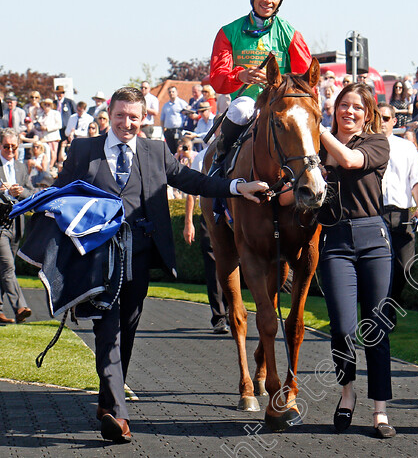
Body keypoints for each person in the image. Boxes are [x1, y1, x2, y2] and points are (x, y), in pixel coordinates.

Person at [54, 87, 268, 443]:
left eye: (134, 117)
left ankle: (108, 400)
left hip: (139, 256)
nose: (127, 123)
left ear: (144, 119)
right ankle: (119, 417)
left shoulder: (154, 151)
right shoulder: (83, 150)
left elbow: (192, 180)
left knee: (128, 327)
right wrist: (23, 201)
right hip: (97, 259)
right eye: (120, 116)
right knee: (107, 331)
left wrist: (235, 186)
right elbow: (60, 192)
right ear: (109, 114)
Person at [314, 82, 395, 438]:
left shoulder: (376, 142)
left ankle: (380, 410)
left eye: (357, 107)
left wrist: (314, 130)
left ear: (368, 113)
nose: (349, 112)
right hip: (334, 241)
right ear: (334, 109)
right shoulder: (314, 146)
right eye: (343, 105)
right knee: (343, 328)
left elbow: (346, 161)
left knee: (376, 327)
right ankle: (348, 393)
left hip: (373, 238)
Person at [208, 0, 312, 175]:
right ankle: (218, 164)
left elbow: (306, 79)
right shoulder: (229, 32)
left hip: (282, 102)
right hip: (249, 102)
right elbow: (218, 79)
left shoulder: (290, 33)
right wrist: (242, 75)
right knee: (240, 109)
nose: (268, 0)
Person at [377, 104, 418, 325]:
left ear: (394, 121)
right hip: (372, 213)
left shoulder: (406, 148)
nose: (381, 121)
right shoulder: (362, 146)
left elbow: (417, 180)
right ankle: (380, 314)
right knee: (375, 268)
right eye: (377, 117)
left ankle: (389, 305)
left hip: (400, 214)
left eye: (386, 118)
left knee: (404, 266)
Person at [183, 146, 230, 334]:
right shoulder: (202, 156)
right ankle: (219, 317)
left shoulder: (243, 149)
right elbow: (191, 192)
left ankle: (233, 310)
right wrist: (188, 222)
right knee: (213, 265)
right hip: (210, 216)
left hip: (233, 216)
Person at [0, 129, 34, 325]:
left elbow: (30, 191)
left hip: (16, 224)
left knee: (3, 267)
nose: (10, 150)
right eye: (6, 146)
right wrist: (5, 193)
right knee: (7, 267)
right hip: (0, 224)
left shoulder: (21, 167)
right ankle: (20, 306)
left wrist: (19, 192)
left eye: (14, 146)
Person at [160, 86, 188, 154]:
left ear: (177, 92)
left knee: (179, 150)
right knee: (170, 151)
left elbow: (187, 115)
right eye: (169, 92)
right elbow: (162, 119)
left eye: (173, 92)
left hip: (178, 130)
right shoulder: (166, 105)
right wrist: (163, 130)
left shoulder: (182, 103)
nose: (171, 93)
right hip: (168, 131)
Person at [36, 98, 62, 170]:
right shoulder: (41, 114)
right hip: (43, 138)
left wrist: (47, 128)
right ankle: (45, 168)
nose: (47, 106)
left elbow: (59, 125)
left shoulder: (55, 113)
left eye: (49, 104)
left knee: (52, 153)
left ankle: (50, 167)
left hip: (52, 137)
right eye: (45, 104)